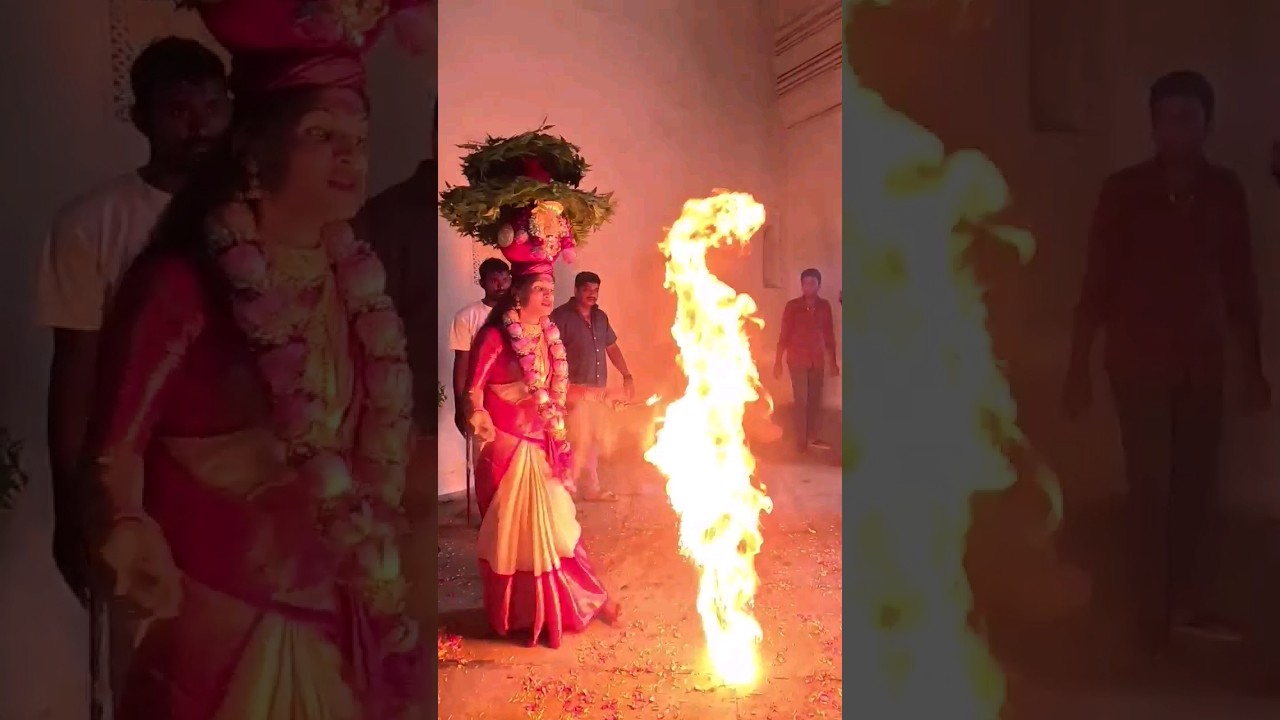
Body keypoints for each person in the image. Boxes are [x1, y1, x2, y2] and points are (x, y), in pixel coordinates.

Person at [87, 0, 428, 717]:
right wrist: (122, 522)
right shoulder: (179, 285)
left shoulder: (352, 281)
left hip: (334, 608)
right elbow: (114, 450)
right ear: (254, 148)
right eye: (322, 134)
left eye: (360, 138)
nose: (350, 157)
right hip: (218, 612)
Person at [34, 35, 230, 715]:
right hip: (138, 486)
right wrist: (74, 510)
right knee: (148, 669)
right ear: (141, 118)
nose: (201, 124)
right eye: (180, 109)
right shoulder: (92, 224)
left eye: (214, 105)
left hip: (243, 492)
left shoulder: (258, 219)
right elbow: (75, 375)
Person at [1064, 70, 1269, 650]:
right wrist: (1077, 366)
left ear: (1208, 125)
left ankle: (1185, 605)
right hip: (1138, 363)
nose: (1176, 130)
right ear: (1152, 126)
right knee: (1151, 488)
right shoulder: (1123, 191)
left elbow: (1240, 288)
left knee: (1195, 488)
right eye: (1166, 118)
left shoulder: (1225, 192)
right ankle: (1149, 619)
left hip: (1202, 363)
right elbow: (1096, 282)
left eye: (1189, 117)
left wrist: (1252, 371)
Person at [439, 126, 618, 647]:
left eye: (550, 288)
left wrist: (570, 403)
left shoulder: (551, 331)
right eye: (541, 289)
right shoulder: (497, 330)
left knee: (558, 527)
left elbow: (555, 388)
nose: (548, 295)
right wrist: (484, 414)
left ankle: (569, 603)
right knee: (517, 537)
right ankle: (523, 617)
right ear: (518, 292)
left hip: (542, 443)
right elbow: (475, 388)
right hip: (507, 447)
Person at [549, 271, 633, 502]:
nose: (592, 295)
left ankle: (591, 489)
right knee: (571, 439)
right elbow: (549, 354)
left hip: (598, 390)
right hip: (572, 390)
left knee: (592, 439)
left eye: (595, 290)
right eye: (587, 289)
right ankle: (563, 493)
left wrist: (626, 375)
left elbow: (612, 348)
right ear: (576, 291)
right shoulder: (560, 317)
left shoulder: (600, 318)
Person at [774, 268, 839, 452]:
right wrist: (778, 361)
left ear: (819, 285)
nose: (808, 287)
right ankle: (800, 442)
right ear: (801, 285)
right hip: (797, 359)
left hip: (817, 360)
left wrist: (833, 362)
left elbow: (829, 336)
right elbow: (784, 335)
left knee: (814, 400)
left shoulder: (824, 306)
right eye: (805, 283)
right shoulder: (792, 307)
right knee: (801, 400)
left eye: (813, 283)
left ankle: (812, 437)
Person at [449, 258, 512, 435]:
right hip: (480, 399)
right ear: (482, 283)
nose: (501, 286)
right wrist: (461, 407)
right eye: (494, 281)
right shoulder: (466, 316)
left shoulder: (520, 313)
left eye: (505, 279)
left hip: (513, 400)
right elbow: (462, 363)